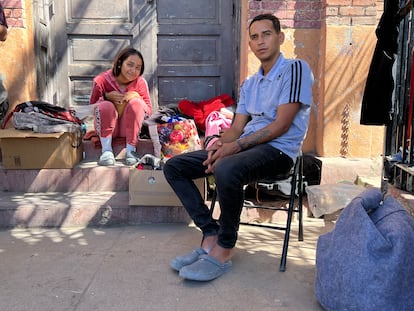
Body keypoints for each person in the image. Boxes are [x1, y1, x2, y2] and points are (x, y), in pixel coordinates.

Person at [163, 13, 314, 281]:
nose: (260, 42)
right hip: (247, 148)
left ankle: (224, 248)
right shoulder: (249, 84)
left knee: (227, 168)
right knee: (175, 167)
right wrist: (217, 145)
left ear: (280, 37)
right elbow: (235, 129)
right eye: (254, 37)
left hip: (279, 151)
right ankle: (210, 233)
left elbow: (280, 125)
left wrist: (233, 149)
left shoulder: (296, 69)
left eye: (267, 34)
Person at [90, 47, 152, 166]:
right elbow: (91, 108)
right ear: (119, 63)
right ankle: (106, 151)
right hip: (106, 130)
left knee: (136, 103)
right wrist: (106, 97)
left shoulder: (140, 83)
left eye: (138, 68)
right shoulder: (101, 81)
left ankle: (131, 151)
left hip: (128, 130)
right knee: (106, 106)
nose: (133, 70)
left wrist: (137, 97)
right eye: (130, 65)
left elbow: (149, 111)